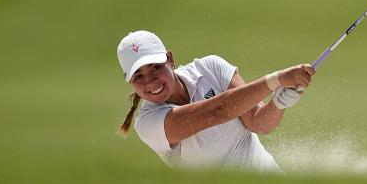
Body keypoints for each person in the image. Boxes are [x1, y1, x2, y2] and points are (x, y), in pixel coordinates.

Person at [116, 30, 315, 172]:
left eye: (154, 68)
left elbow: (258, 122)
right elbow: (217, 111)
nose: (150, 81)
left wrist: (278, 104)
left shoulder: (210, 68)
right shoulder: (148, 123)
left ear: (170, 59)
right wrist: (276, 79)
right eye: (138, 76)